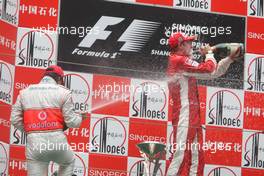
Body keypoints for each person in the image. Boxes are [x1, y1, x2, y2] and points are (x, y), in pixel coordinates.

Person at [166, 32, 241, 176]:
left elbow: (213, 73)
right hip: (185, 116)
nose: (191, 44)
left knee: (196, 158)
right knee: (180, 156)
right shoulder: (178, 60)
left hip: (192, 116)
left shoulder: (183, 62)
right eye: (188, 42)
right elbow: (208, 68)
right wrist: (209, 53)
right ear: (181, 45)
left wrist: (229, 59)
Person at [11, 65, 88, 176]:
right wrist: (80, 118)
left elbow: (14, 119)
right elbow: (72, 122)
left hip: (35, 146)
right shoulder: (64, 92)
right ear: (60, 79)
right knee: (68, 162)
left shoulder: (24, 93)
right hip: (57, 144)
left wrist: (32, 130)